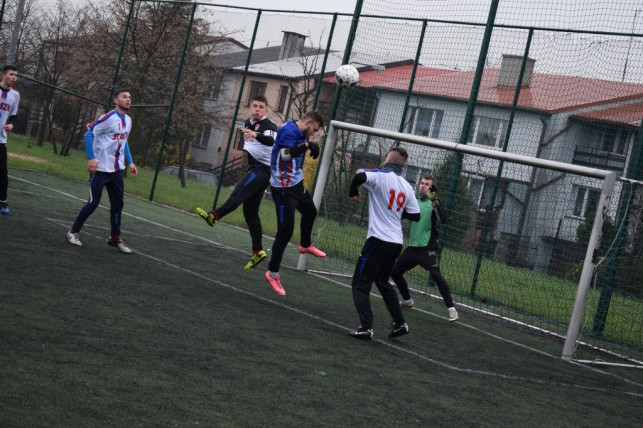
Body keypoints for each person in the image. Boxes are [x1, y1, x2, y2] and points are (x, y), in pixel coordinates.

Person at [196, 95, 279, 270]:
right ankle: (258, 251)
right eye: (255, 106)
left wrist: (256, 134)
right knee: (250, 213)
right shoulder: (248, 123)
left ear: (266, 110)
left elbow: (270, 140)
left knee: (237, 193)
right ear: (250, 107)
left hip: (263, 170)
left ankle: (214, 216)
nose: (257, 109)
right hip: (256, 168)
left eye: (261, 107)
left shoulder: (269, 126)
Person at [348, 147, 420, 340]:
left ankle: (366, 327)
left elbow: (359, 176)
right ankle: (400, 323)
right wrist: (395, 212)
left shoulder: (381, 175)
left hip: (378, 240)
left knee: (360, 284)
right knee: (381, 281)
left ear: (388, 160)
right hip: (396, 242)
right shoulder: (407, 186)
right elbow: (415, 215)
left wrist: (353, 191)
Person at [66, 90, 138, 253]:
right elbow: (88, 134)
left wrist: (130, 162)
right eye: (124, 97)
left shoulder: (128, 120)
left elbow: (124, 141)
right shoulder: (108, 118)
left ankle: (115, 238)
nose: (128, 100)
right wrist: (91, 158)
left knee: (118, 205)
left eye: (129, 97)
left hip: (117, 171)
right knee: (93, 203)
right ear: (116, 100)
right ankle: (72, 232)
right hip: (100, 169)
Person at [265, 111, 326, 296]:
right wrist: (306, 145)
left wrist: (309, 147)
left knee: (310, 211)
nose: (313, 134)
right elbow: (285, 155)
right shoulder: (289, 131)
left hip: (296, 182)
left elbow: (298, 150)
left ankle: (305, 244)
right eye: (314, 130)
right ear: (308, 123)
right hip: (283, 188)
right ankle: (272, 273)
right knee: (285, 231)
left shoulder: (300, 130)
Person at [391, 176, 459, 322]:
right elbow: (401, 214)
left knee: (436, 276)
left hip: (428, 248)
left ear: (432, 188)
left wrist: (435, 201)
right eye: (422, 183)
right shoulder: (413, 202)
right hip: (412, 248)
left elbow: (443, 219)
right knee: (395, 272)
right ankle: (407, 300)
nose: (422, 186)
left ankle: (451, 309)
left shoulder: (434, 204)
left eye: (427, 184)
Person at [0, 65, 20, 215]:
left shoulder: (15, 95)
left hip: (1, 140)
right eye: (11, 74)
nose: (14, 77)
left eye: (16, 75)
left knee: (2, 172)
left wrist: (11, 124)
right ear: (3, 75)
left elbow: (14, 114)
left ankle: (2, 201)